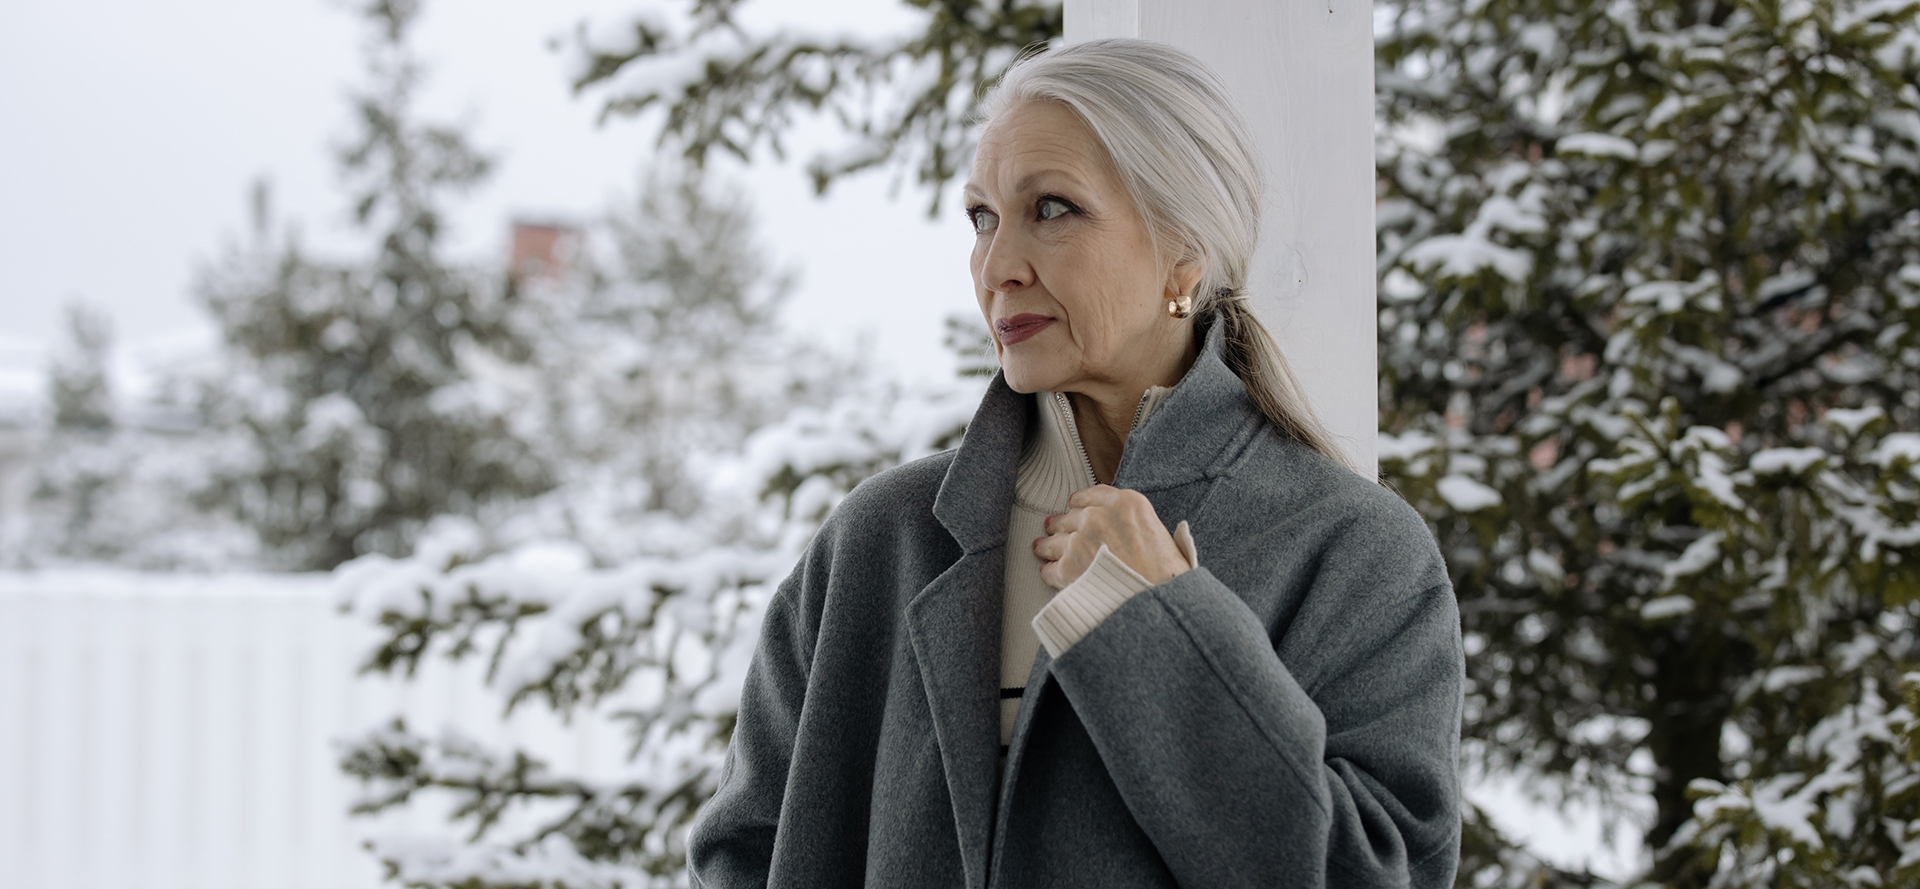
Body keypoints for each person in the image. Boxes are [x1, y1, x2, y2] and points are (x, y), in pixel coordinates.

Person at [688, 38, 1463, 889]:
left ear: (1183, 252)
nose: (997, 266)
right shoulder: (880, 542)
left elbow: (1377, 874)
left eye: (1051, 209)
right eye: (982, 217)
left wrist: (1157, 627)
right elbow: (743, 856)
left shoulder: (1352, 550)